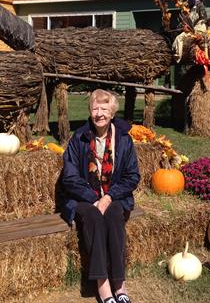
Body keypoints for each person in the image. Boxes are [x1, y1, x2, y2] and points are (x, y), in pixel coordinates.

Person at [61, 89, 140, 303]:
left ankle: (119, 285)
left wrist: (108, 197)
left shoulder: (123, 140)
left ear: (112, 112)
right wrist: (94, 199)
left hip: (114, 197)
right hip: (83, 199)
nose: (99, 113)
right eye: (95, 108)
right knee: (95, 218)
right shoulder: (79, 138)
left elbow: (132, 176)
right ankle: (103, 286)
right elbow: (69, 178)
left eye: (104, 108)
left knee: (114, 217)